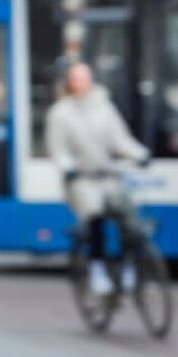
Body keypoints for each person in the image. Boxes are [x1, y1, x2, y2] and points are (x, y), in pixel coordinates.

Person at [46, 61, 150, 295]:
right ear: (69, 82)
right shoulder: (60, 113)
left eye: (85, 77)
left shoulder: (104, 106)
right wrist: (67, 167)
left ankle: (128, 268)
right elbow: (58, 149)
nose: (82, 82)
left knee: (129, 218)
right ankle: (97, 270)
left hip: (107, 176)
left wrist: (140, 154)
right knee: (95, 217)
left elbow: (120, 139)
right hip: (82, 179)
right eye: (77, 78)